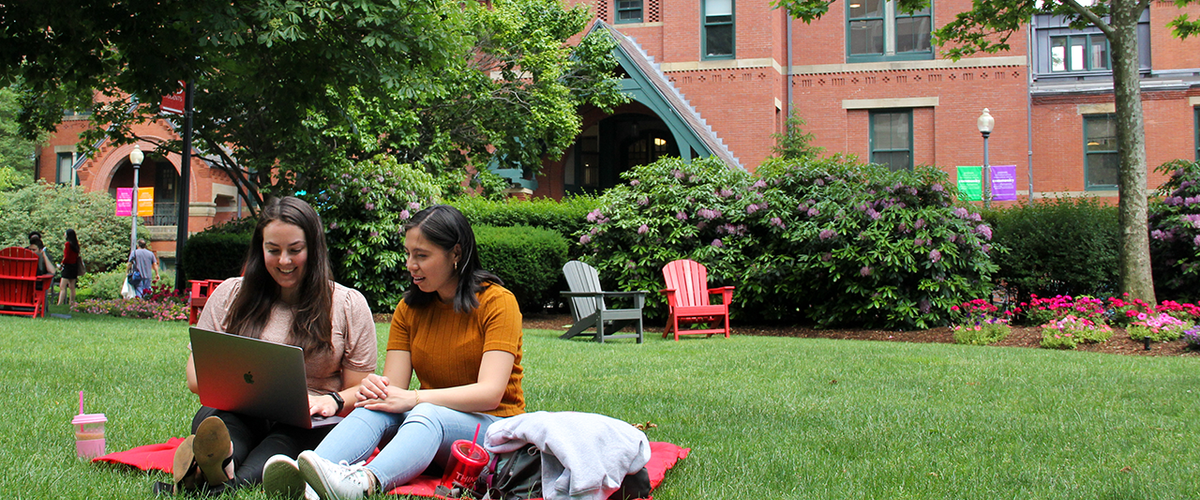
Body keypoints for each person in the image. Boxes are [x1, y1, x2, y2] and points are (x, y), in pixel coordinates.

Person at [262, 205, 524, 500]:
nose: (410, 264)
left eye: (421, 255)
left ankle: (363, 483)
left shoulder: (497, 302)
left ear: (456, 254)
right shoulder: (409, 309)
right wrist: (379, 391)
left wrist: (413, 398)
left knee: (425, 412)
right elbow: (394, 389)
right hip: (430, 428)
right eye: (409, 254)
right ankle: (307, 477)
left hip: (493, 431)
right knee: (377, 406)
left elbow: (490, 393)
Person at [169, 197, 378, 496]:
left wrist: (331, 400)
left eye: (295, 250)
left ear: (314, 249)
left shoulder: (347, 304)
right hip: (239, 409)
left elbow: (359, 388)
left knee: (278, 451)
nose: (284, 261)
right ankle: (222, 460)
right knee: (225, 429)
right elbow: (195, 378)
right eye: (273, 250)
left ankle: (216, 477)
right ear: (260, 249)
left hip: (309, 420)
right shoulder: (231, 294)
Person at [58, 228, 81, 305]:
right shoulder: (76, 245)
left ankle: (60, 303)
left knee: (62, 286)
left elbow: (66, 256)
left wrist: (61, 264)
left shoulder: (67, 244)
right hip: (74, 266)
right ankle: (72, 303)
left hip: (67, 267)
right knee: (72, 286)